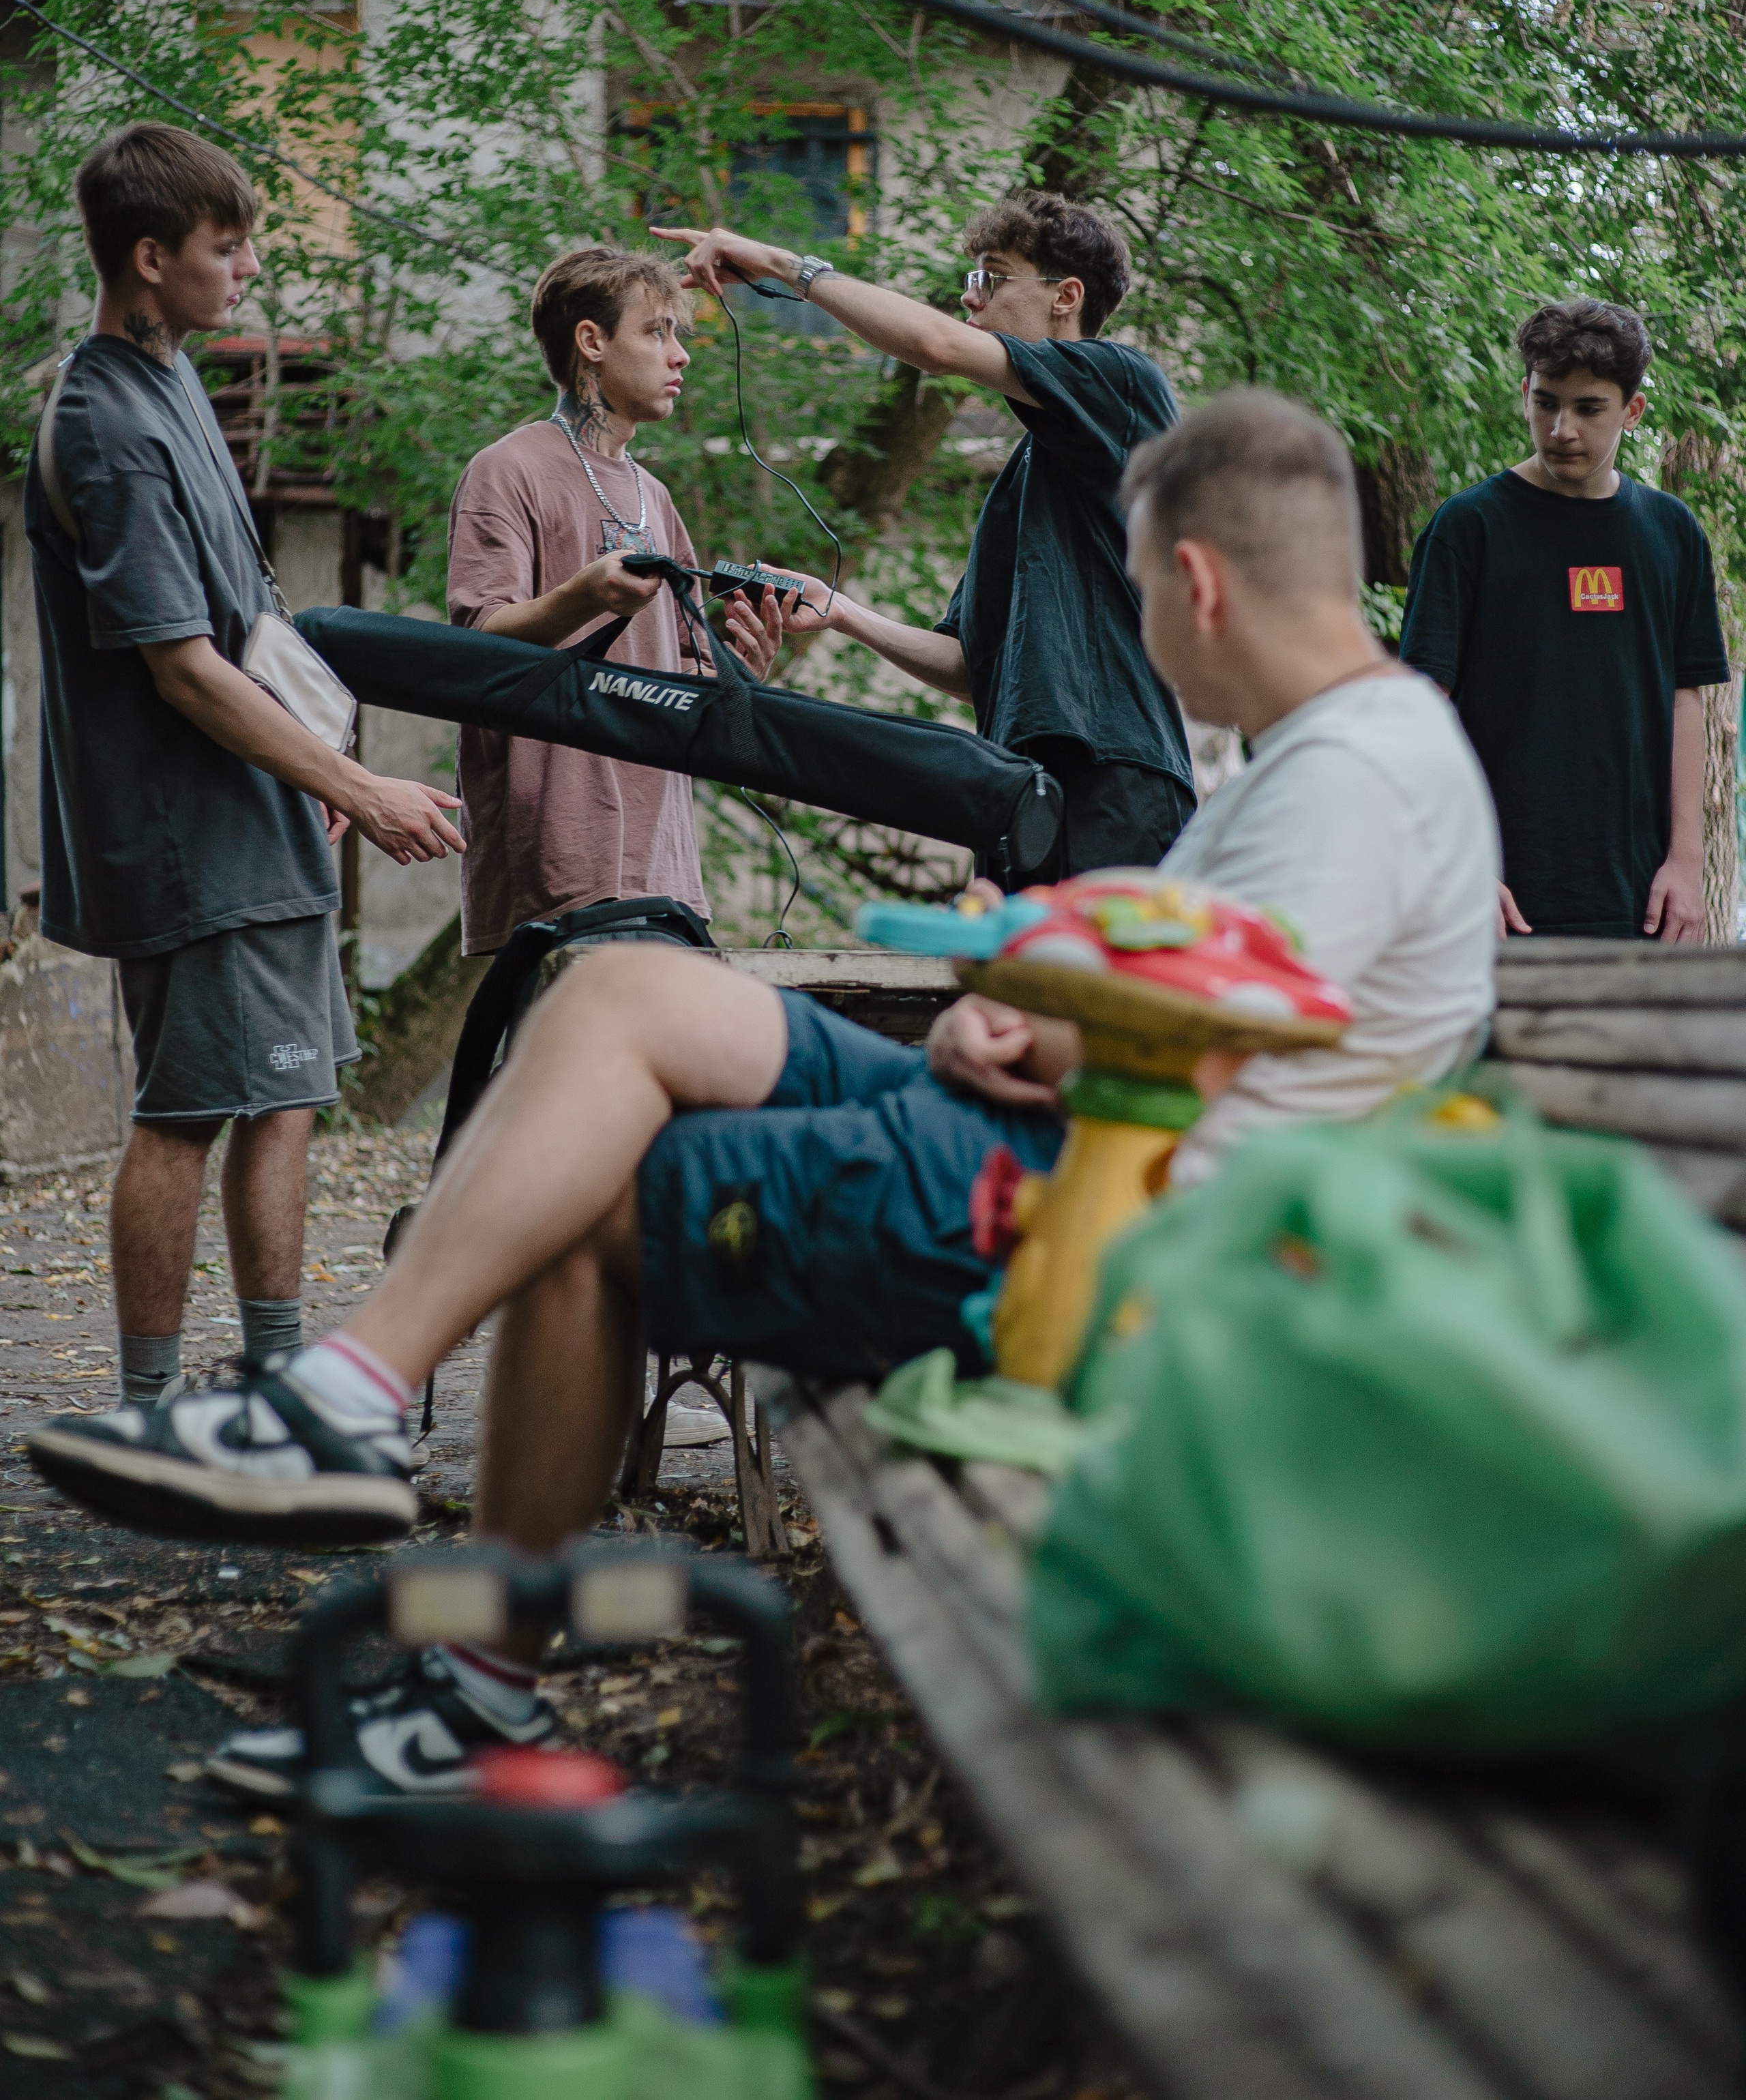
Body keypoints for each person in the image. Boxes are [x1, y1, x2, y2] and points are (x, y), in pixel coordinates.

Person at [29, 388, 1500, 1794]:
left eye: (1137, 596)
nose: (1142, 633)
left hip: (1095, 1229)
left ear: (1197, 577)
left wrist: (1049, 1026)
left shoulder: (1351, 778)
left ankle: (461, 1654)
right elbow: (1200, 980)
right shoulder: (1310, 753)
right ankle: (352, 1400)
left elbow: (1221, 1031)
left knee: (591, 1204)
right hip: (1054, 1134)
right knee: (617, 984)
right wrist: (1025, 1000)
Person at [25, 121, 465, 1411]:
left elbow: (244, 628)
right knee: (185, 1113)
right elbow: (181, 666)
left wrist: (308, 766)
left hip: (253, 813)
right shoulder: (106, 420)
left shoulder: (171, 380)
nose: (254, 267)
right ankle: (151, 1412)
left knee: (285, 1097)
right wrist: (358, 786)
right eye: (231, 247)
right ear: (151, 257)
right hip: (186, 833)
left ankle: (273, 1376)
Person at [652, 190, 1197, 883]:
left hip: (1117, 779)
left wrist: (782, 264)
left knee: (1097, 990)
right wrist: (840, 610)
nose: (970, 300)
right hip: (1018, 788)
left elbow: (935, 345)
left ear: (1066, 295)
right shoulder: (1024, 477)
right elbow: (972, 666)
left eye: (990, 278)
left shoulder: (1123, 384)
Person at [448, 248, 780, 956]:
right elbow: (478, 641)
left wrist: (742, 665)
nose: (680, 355)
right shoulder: (506, 470)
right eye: (658, 332)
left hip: (661, 862)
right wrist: (583, 594)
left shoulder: (653, 495)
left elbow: (690, 684)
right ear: (592, 343)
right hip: (559, 853)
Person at [1400, 299, 1731, 941]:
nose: (1561, 430)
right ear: (1524, 393)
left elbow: (1686, 699)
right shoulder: (1468, 528)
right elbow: (1421, 709)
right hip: (1495, 899)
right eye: (1546, 403)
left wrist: (1687, 862)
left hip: (1641, 897)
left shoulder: (1673, 532)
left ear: (1632, 411)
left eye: (1587, 409)